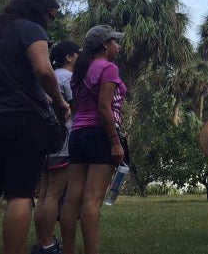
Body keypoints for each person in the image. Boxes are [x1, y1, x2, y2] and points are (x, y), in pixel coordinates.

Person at [0, 0, 70, 254]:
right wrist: (59, 101)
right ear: (39, 10)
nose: (50, 21)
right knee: (20, 194)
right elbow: (43, 70)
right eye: (50, 16)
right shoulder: (32, 30)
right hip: (24, 122)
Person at [60, 26, 127, 254]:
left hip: (78, 134)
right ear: (105, 45)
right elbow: (104, 107)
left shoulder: (80, 70)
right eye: (115, 42)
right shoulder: (107, 68)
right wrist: (115, 142)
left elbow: (78, 106)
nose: (118, 46)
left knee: (72, 199)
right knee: (92, 200)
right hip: (99, 133)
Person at [31, 41, 81, 254]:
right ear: (69, 57)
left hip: (46, 139)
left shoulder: (50, 77)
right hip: (63, 141)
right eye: (78, 54)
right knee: (54, 194)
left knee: (44, 193)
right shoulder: (68, 78)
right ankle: (49, 245)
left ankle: (43, 240)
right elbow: (76, 105)